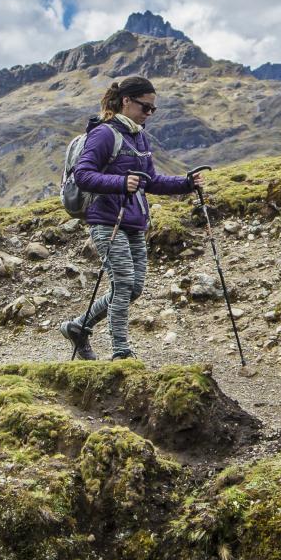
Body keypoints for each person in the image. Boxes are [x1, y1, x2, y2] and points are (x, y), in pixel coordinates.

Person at [58, 75, 204, 361]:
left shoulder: (139, 135)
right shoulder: (104, 134)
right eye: (145, 107)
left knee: (134, 288)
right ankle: (121, 352)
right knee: (123, 284)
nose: (149, 114)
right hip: (107, 222)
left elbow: (150, 181)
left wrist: (185, 184)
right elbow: (83, 174)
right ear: (126, 101)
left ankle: (78, 327)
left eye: (153, 110)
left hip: (135, 222)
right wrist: (120, 182)